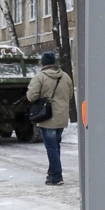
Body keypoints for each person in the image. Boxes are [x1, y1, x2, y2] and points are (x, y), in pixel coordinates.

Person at [26, 51, 74, 185]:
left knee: (52, 148)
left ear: (43, 63)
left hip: (47, 117)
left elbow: (31, 96)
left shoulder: (39, 77)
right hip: (61, 117)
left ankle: (56, 176)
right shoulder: (65, 76)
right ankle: (52, 173)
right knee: (55, 146)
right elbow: (69, 95)